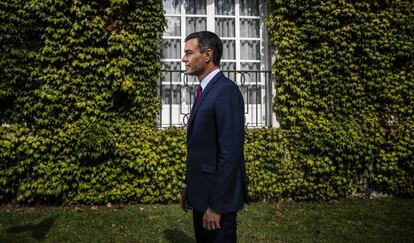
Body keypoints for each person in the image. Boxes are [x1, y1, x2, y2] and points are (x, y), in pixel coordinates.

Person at [179, 31, 249, 243]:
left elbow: (230, 154)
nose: (184, 59)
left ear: (207, 55)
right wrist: (189, 187)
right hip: (200, 195)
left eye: (189, 53)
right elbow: (202, 149)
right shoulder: (205, 90)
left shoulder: (226, 92)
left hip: (217, 204)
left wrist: (216, 206)